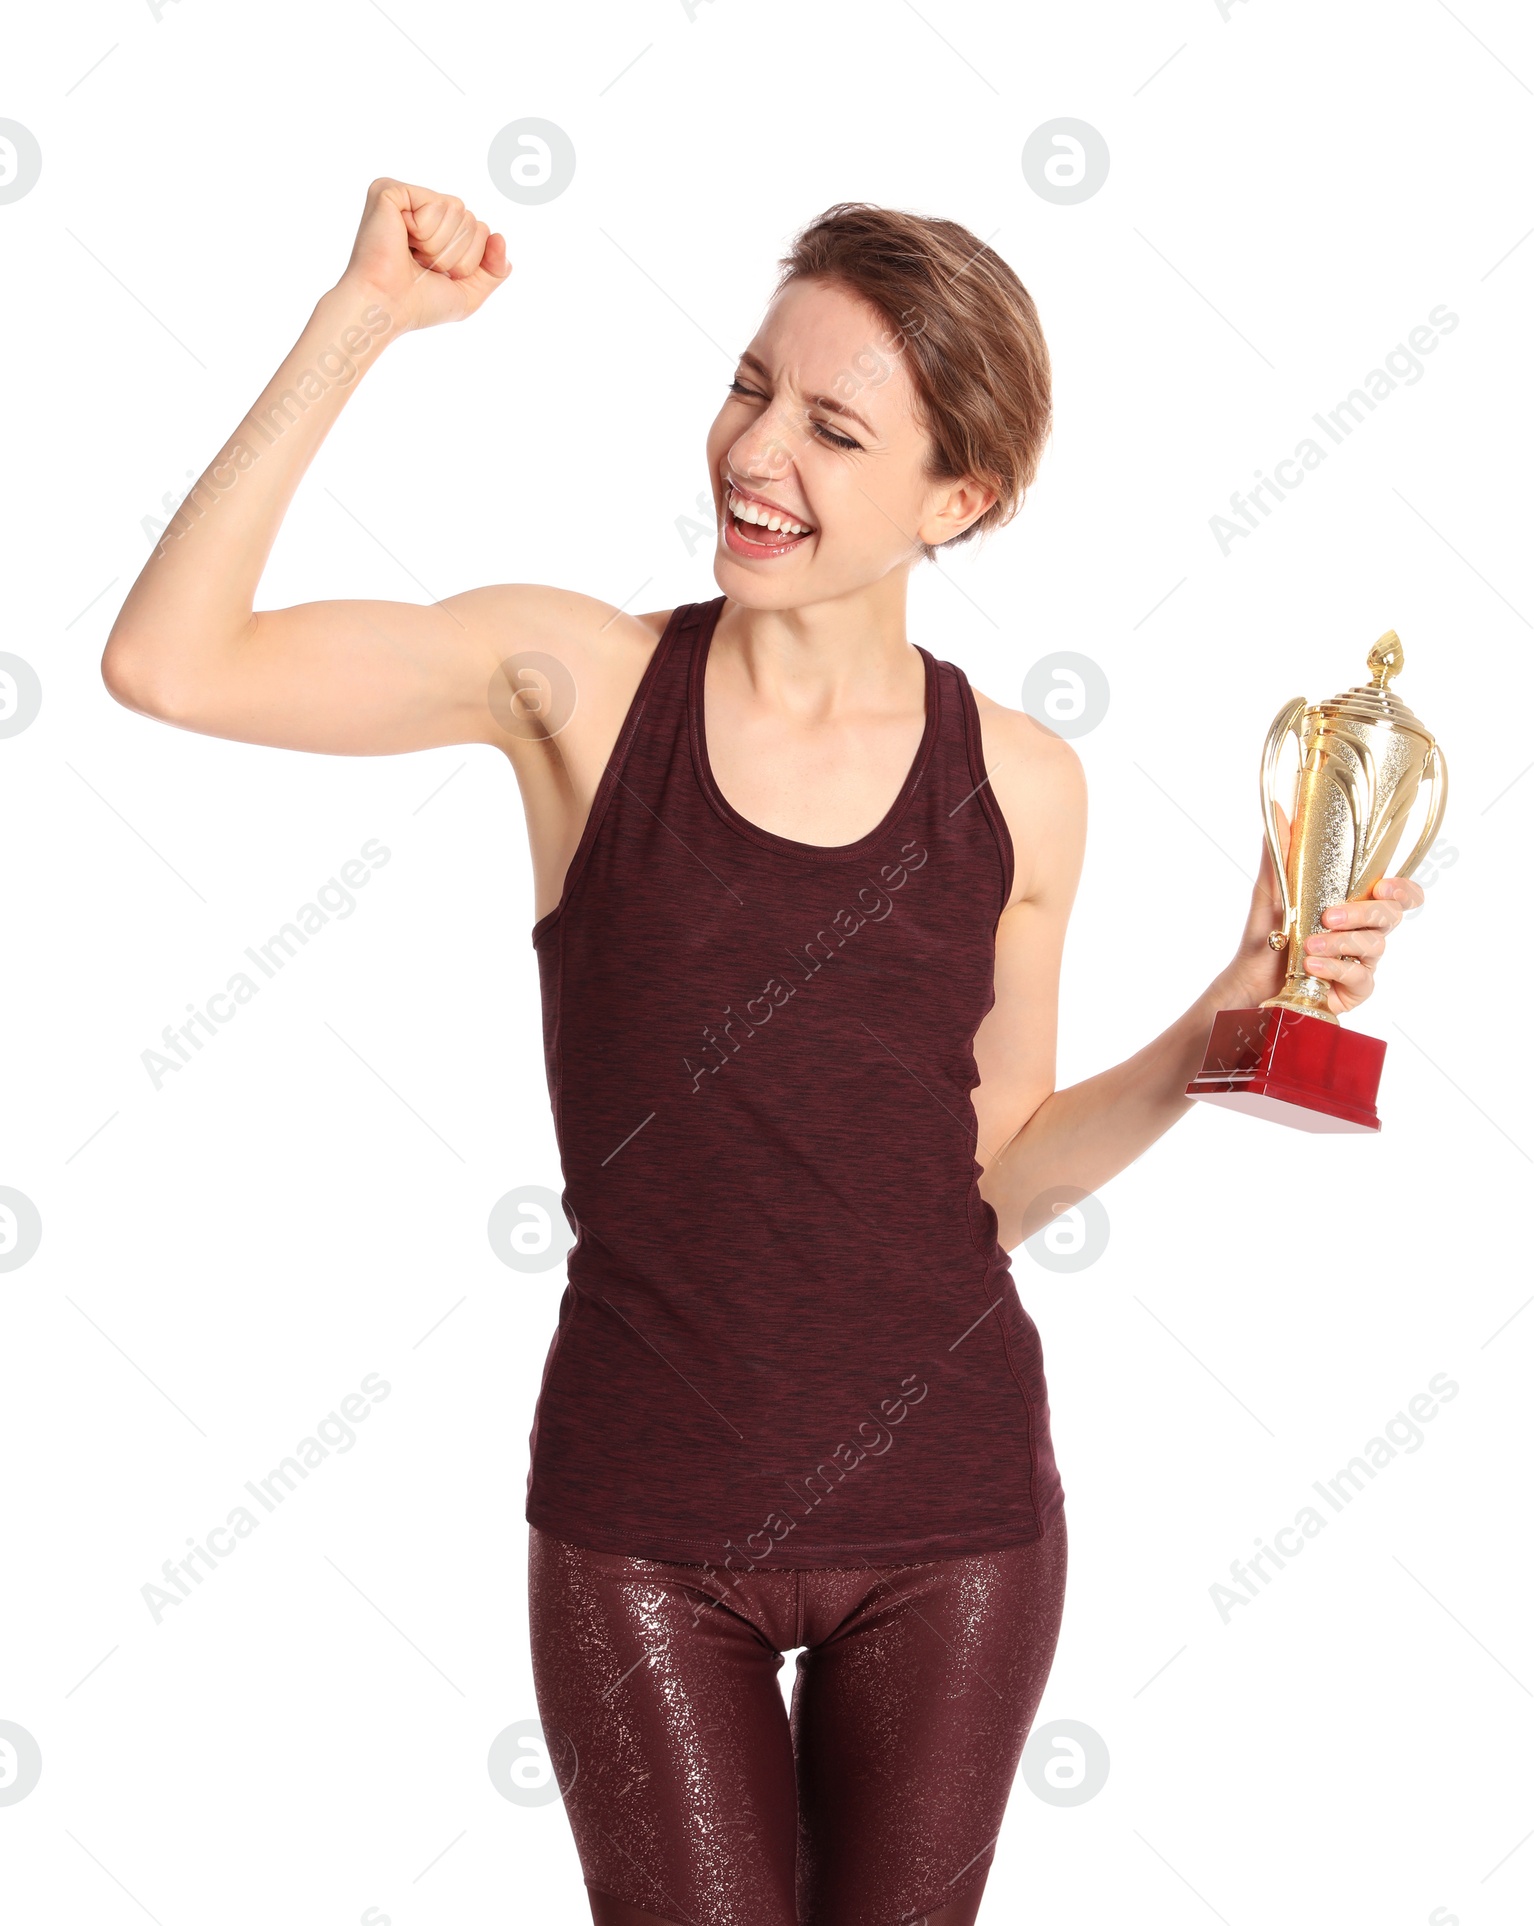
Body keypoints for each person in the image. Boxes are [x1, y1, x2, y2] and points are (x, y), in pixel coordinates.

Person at [102, 181, 1424, 1926]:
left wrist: (1219, 1019)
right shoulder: (575, 682)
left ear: (963, 497)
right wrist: (363, 316)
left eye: (832, 426)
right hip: (643, 1529)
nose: (754, 448)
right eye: (749, 385)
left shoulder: (1022, 785)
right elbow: (168, 662)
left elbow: (994, 1176)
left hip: (956, 1526)